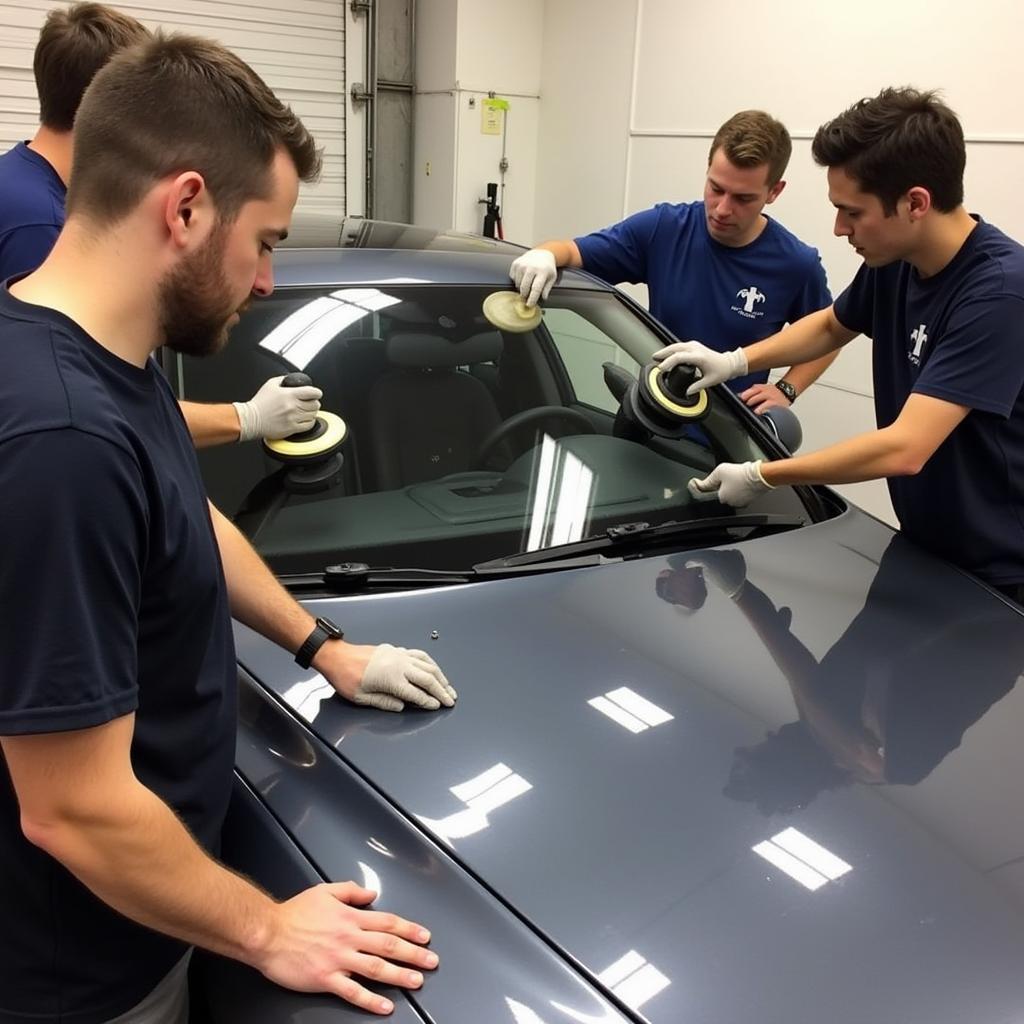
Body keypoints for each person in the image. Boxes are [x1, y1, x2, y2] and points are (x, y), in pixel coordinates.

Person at [0, 32, 456, 1022]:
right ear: (187, 205)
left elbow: (185, 517)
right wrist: (267, 928)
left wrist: (322, 644)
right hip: (88, 977)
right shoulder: (60, 440)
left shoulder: (99, 358)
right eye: (268, 240)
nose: (261, 282)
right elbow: (70, 806)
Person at [661, 87, 1024, 601]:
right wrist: (736, 359)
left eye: (852, 212)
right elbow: (832, 324)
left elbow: (906, 448)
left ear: (915, 203)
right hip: (921, 546)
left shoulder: (1000, 293)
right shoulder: (896, 260)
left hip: (1003, 576)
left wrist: (764, 475)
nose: (838, 228)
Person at [0, 2, 320, 449]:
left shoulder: (18, 184)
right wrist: (244, 418)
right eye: (263, 243)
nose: (264, 282)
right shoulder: (38, 225)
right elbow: (93, 407)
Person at [509, 109, 837, 410]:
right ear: (708, 171)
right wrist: (544, 255)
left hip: (730, 437)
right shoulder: (664, 229)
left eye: (743, 198)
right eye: (716, 188)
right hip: (654, 415)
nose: (722, 209)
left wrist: (787, 390)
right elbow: (573, 251)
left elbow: (831, 335)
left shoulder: (795, 264)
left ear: (774, 192)